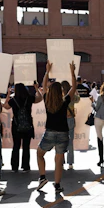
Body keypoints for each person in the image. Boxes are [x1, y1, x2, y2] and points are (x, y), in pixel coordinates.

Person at [36, 60, 76, 193]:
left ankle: (42, 177)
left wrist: (47, 71)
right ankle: (57, 185)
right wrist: (72, 73)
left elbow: (43, 85)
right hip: (63, 133)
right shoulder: (64, 101)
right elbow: (74, 87)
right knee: (59, 160)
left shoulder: (47, 99)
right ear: (61, 92)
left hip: (50, 132)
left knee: (40, 154)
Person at [3, 82, 42, 172]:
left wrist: (8, 95)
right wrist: (36, 89)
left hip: (16, 126)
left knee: (16, 145)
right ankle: (25, 166)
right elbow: (39, 99)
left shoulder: (13, 100)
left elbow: (6, 107)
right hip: (28, 125)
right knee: (26, 146)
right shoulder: (29, 98)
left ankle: (14, 166)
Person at [61, 80, 80, 169]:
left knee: (60, 141)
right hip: (71, 119)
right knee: (70, 142)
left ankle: (61, 161)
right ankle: (70, 163)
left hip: (62, 120)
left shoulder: (59, 96)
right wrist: (75, 90)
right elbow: (78, 99)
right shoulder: (72, 96)